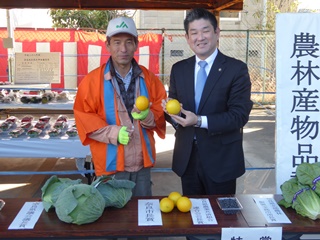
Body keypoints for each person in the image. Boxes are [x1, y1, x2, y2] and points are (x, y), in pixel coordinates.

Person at [162, 8, 253, 197]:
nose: (200, 37)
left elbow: (238, 116)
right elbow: (175, 110)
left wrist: (199, 121)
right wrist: (170, 113)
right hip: (187, 158)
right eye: (194, 33)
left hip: (221, 160)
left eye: (205, 31)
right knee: (192, 217)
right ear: (187, 38)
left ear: (217, 33)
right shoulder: (179, 69)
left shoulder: (236, 69)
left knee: (222, 219)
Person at [74, 16, 167, 198]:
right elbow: (83, 117)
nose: (123, 49)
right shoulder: (92, 81)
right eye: (117, 42)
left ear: (136, 44)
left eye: (128, 42)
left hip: (142, 164)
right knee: (112, 219)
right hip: (110, 166)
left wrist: (149, 117)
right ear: (107, 45)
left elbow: (160, 112)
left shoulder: (150, 79)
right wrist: (113, 133)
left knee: (142, 215)